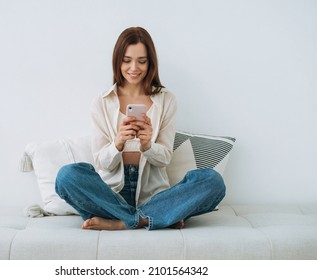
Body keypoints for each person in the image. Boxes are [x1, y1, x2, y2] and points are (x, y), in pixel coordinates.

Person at [55, 27, 225, 230]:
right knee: (67, 176)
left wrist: (147, 144)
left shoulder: (166, 100)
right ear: (117, 61)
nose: (134, 68)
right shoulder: (101, 102)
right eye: (126, 60)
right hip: (110, 196)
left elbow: (164, 159)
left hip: (154, 196)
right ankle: (151, 218)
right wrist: (118, 142)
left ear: (150, 62)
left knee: (212, 181)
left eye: (141, 61)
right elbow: (102, 162)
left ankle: (125, 222)